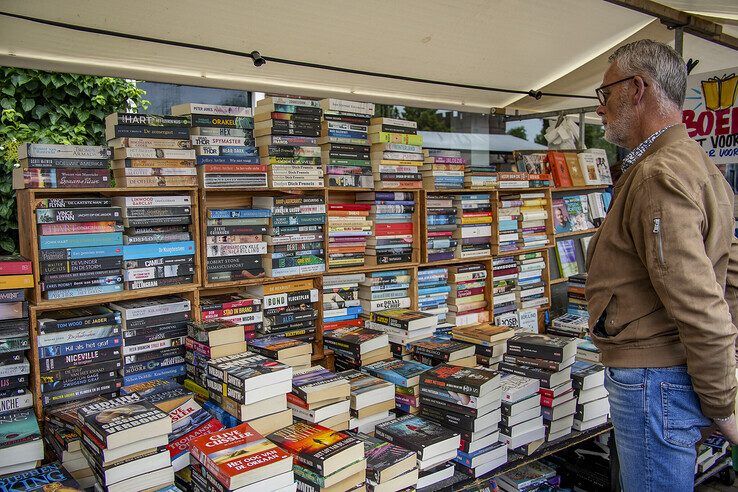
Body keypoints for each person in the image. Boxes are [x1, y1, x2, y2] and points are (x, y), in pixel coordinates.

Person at [585, 39, 738, 491]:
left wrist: (723, 403)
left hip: (655, 380)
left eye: (605, 93)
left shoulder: (657, 174)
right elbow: (728, 278)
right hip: (669, 375)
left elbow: (699, 300)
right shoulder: (695, 165)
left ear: (637, 88)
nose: (600, 109)